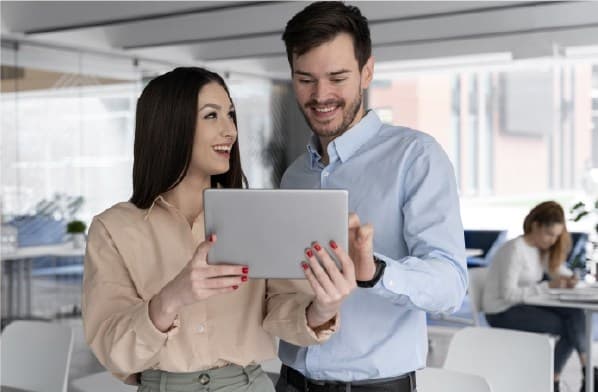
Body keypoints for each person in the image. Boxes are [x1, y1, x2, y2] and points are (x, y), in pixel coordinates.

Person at [82, 67, 360, 392]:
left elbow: (281, 306)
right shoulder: (112, 229)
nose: (230, 130)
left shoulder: (257, 216)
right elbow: (114, 352)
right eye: (212, 116)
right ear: (169, 126)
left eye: (230, 115)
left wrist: (322, 308)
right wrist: (171, 299)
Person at [275, 2, 468, 391]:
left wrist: (376, 272)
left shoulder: (415, 157)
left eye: (337, 77)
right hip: (292, 382)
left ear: (367, 72)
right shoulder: (294, 174)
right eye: (305, 79)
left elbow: (451, 285)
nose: (320, 95)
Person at [483, 200, 595, 392]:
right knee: (568, 327)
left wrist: (571, 279)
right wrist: (547, 286)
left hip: (525, 304)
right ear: (536, 225)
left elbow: (556, 270)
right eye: (549, 234)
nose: (552, 240)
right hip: (502, 311)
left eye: (556, 236)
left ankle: (584, 370)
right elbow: (508, 294)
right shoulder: (514, 249)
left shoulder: (539, 251)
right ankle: (560, 378)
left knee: (576, 314)